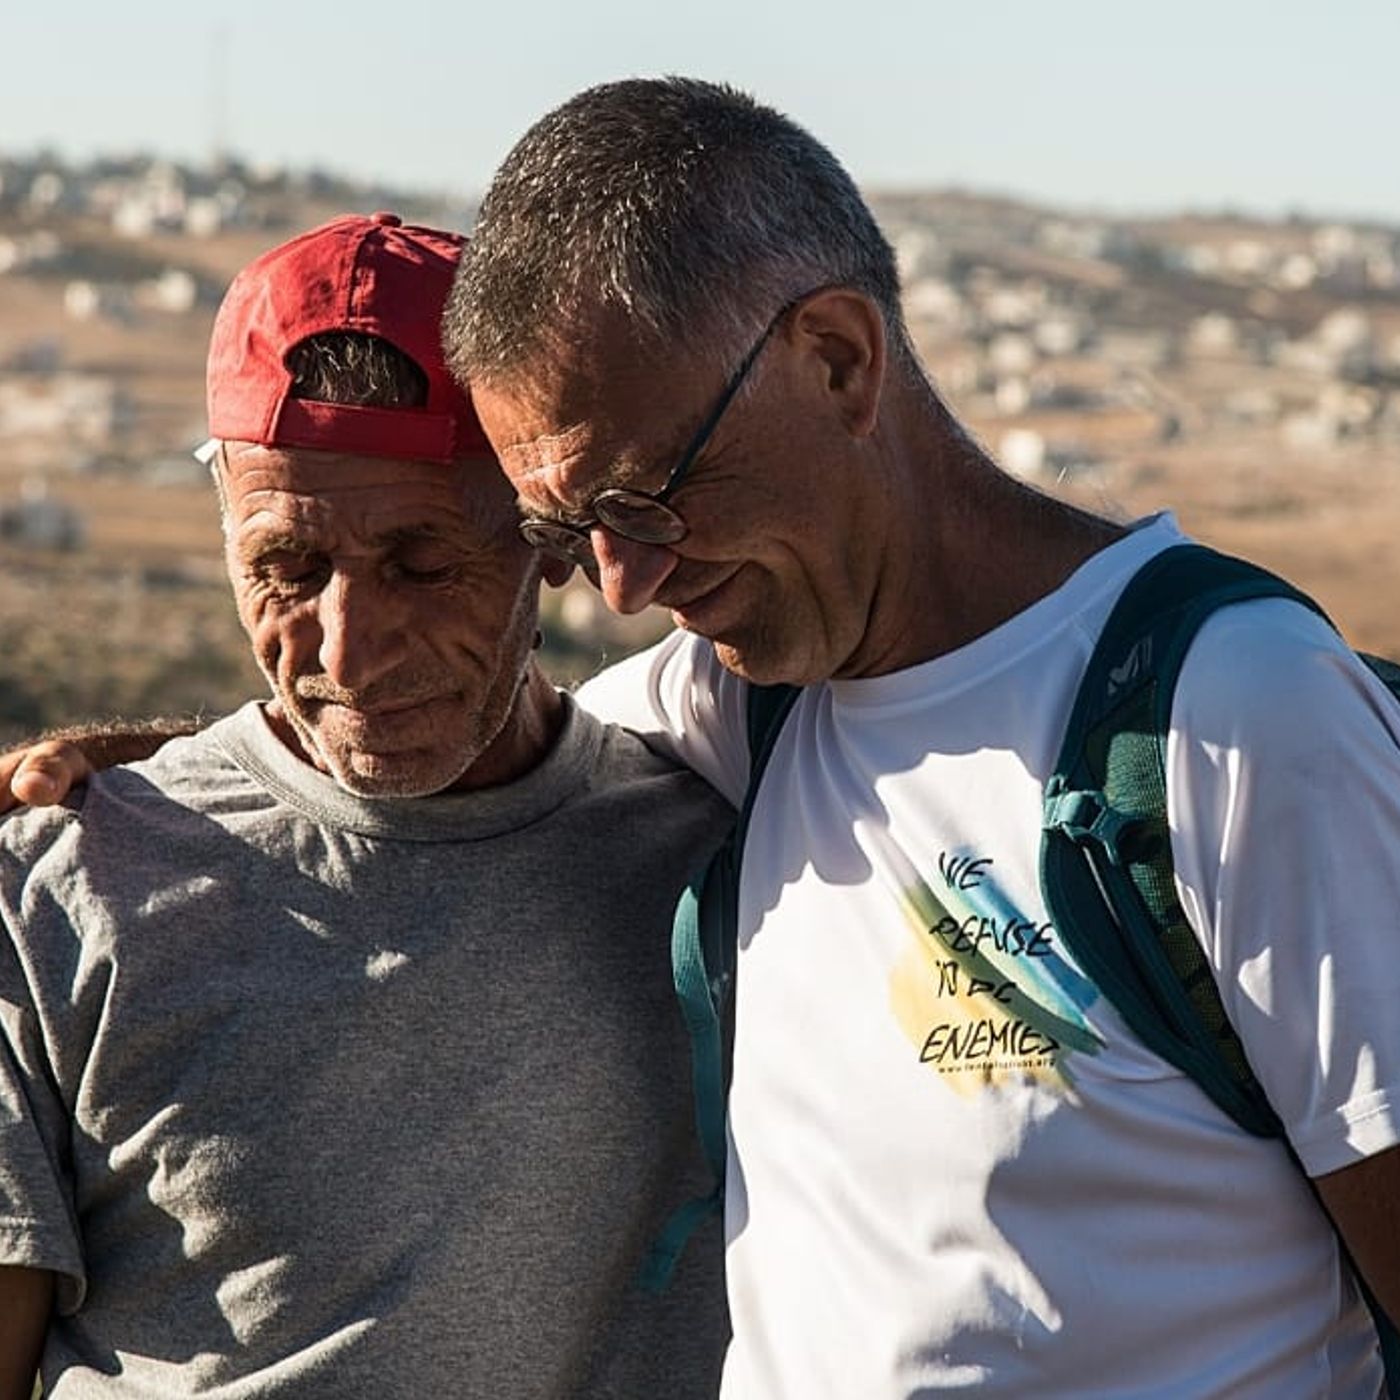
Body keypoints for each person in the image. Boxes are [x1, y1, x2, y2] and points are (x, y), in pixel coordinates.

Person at [437, 78, 1400, 1397]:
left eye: (642, 498)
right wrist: (123, 772)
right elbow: (424, 770)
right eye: (569, 537)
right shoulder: (738, 700)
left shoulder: (1223, 710)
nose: (622, 584)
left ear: (836, 358)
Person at [0, 213, 733, 1399]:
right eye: (284, 567)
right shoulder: (56, 890)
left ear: (547, 535)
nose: (349, 647)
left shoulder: (730, 863)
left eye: (421, 563)